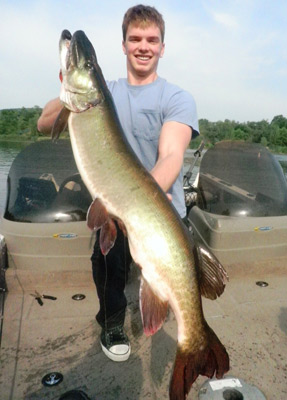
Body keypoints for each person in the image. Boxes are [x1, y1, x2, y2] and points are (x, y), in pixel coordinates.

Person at [37, 4, 199, 363]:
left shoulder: (177, 98)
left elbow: (172, 156)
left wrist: (134, 207)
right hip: (113, 209)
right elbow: (44, 123)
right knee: (107, 264)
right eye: (135, 39)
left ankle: (180, 328)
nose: (144, 46)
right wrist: (68, 88)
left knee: (164, 281)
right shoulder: (98, 93)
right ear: (124, 45)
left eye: (152, 40)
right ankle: (112, 323)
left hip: (158, 215)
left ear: (162, 47)